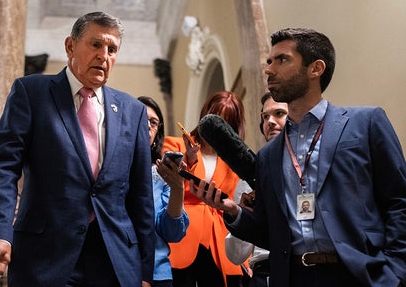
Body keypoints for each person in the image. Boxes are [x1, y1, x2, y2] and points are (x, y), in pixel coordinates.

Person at [193, 28, 406, 287]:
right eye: (269, 62)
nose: (269, 70)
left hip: (360, 275)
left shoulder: (364, 123)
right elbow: (271, 232)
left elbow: (399, 201)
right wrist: (234, 211)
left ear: (315, 68)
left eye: (282, 60)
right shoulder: (268, 156)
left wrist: (395, 273)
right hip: (293, 277)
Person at [0, 12, 155, 287]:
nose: (104, 55)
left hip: (115, 263)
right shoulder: (32, 92)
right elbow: (1, 168)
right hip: (44, 258)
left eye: (112, 49)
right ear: (70, 46)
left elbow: (141, 197)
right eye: (95, 45)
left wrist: (144, 272)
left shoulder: (134, 111)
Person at [158, 90, 246, 287]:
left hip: (219, 240)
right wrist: (190, 160)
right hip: (181, 235)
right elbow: (166, 181)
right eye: (215, 119)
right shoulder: (176, 143)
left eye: (225, 123)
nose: (217, 128)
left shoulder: (235, 162)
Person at [224, 92, 288, 287]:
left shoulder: (309, 168)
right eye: (265, 116)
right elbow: (236, 256)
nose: (270, 121)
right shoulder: (251, 174)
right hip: (262, 275)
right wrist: (241, 217)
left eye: (279, 113)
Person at [139, 96, 189, 287]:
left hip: (157, 273)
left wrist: (177, 188)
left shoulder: (162, 173)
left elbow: (173, 233)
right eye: (142, 118)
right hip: (117, 269)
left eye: (154, 122)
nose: (148, 126)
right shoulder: (111, 166)